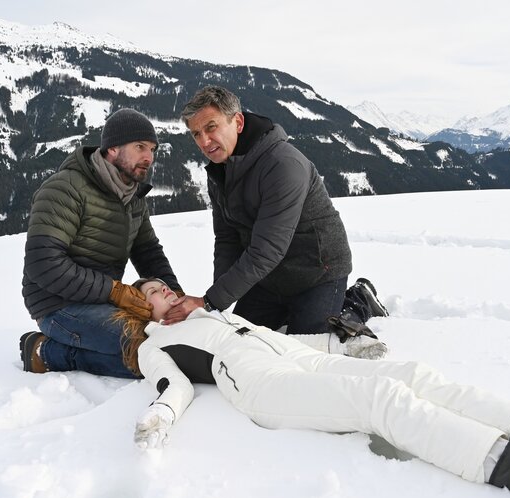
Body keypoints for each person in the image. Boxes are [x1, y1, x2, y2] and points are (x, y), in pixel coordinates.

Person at [129, 278, 510, 498]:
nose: (166, 291)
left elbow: (284, 341)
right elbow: (173, 386)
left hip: (306, 362)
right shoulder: (156, 342)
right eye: (153, 290)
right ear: (140, 305)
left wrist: (344, 344)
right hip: (264, 388)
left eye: (166, 284)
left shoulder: (212, 311)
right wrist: (160, 416)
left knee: (413, 374)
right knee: (380, 398)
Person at [165, 86, 385, 346]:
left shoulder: (283, 164)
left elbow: (267, 249)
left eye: (211, 127)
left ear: (237, 122)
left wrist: (211, 301)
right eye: (196, 134)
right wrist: (216, 302)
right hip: (269, 279)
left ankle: (358, 299)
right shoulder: (219, 171)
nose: (204, 141)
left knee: (304, 346)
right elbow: (227, 238)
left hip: (316, 273)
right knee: (238, 341)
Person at [18, 109, 184, 378]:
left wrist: (177, 297)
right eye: (140, 147)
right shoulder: (65, 188)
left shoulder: (132, 196)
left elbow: (148, 252)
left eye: (152, 149)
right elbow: (43, 265)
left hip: (101, 300)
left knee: (173, 334)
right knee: (147, 348)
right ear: (113, 149)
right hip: (57, 305)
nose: (149, 157)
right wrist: (114, 291)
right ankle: (44, 352)